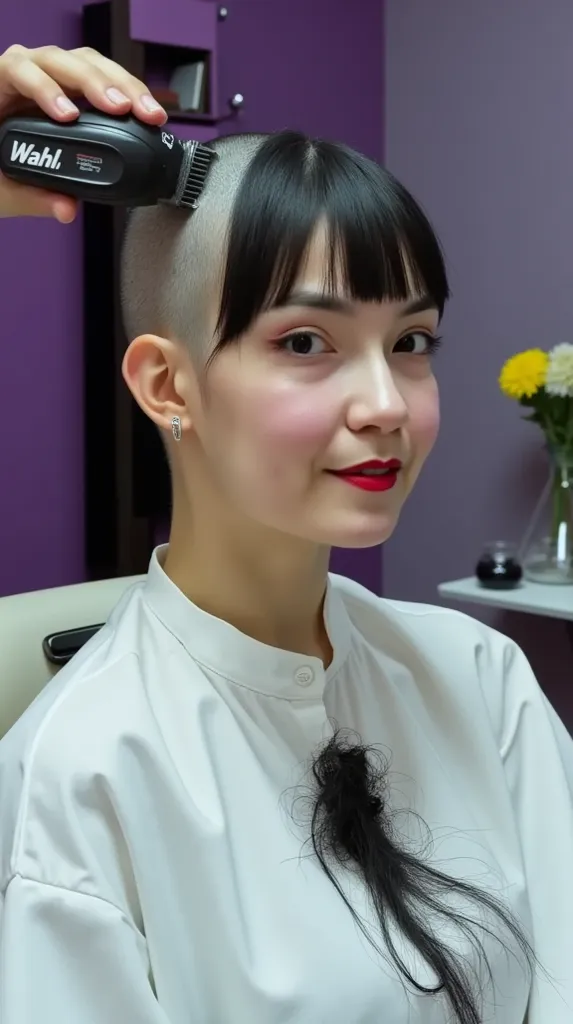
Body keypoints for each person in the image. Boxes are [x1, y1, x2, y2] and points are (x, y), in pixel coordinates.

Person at [0, 43, 572, 1024]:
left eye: (412, 342)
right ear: (167, 385)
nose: (386, 402)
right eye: (307, 343)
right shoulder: (83, 772)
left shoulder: (483, 678)